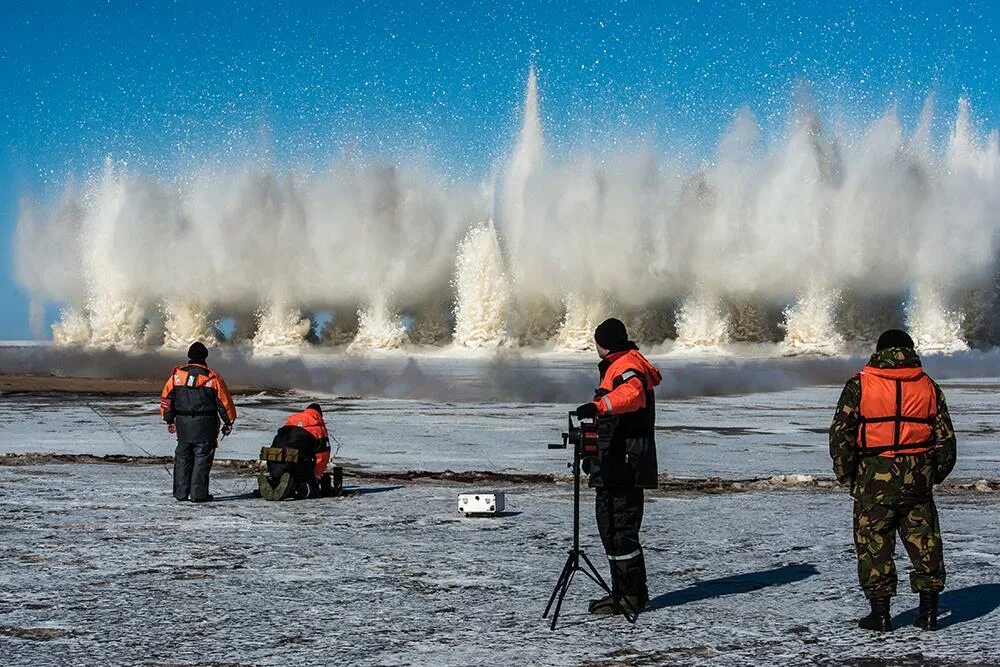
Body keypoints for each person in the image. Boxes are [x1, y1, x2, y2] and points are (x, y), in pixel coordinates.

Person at [829, 329, 956, 632]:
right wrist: (934, 473)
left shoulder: (859, 385)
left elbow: (841, 434)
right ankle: (928, 613)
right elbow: (946, 440)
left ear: (879, 351)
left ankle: (881, 615)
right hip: (918, 479)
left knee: (874, 545)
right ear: (911, 351)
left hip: (873, 479)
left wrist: (846, 473)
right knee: (925, 544)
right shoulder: (929, 387)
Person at [574, 317, 661, 615]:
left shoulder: (626, 365)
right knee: (611, 527)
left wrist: (599, 406)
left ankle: (633, 595)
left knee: (621, 529)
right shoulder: (618, 363)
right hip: (614, 462)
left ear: (603, 343)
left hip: (625, 464)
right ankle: (621, 592)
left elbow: (632, 394)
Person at [160, 342, 237, 502]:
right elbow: (224, 403)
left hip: (183, 424)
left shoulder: (176, 376)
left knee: (182, 458)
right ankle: (198, 495)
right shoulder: (213, 377)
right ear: (205, 357)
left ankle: (181, 494)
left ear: (189, 356)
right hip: (206, 425)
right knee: (202, 459)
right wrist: (228, 422)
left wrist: (169, 419)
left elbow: (167, 399)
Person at [258, 403, 337, 500]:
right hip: (296, 465)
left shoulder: (290, 422)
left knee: (282, 476)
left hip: (274, 464)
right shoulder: (318, 428)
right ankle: (294, 488)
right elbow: (322, 456)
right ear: (319, 415)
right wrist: (316, 477)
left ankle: (272, 483)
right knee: (312, 490)